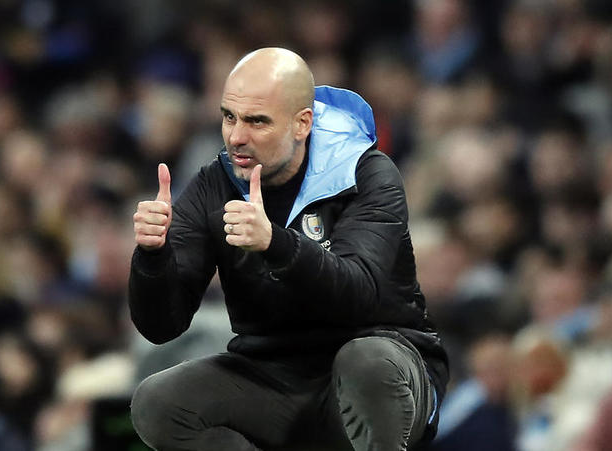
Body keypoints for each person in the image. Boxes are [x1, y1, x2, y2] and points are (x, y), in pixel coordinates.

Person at [128, 47, 448, 451]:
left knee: (366, 363)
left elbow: (360, 294)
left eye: (257, 121)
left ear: (302, 123)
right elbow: (161, 327)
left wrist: (275, 243)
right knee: (158, 403)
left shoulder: (365, 173)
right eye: (229, 117)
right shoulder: (215, 183)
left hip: (385, 367)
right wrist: (152, 257)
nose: (236, 137)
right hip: (273, 376)